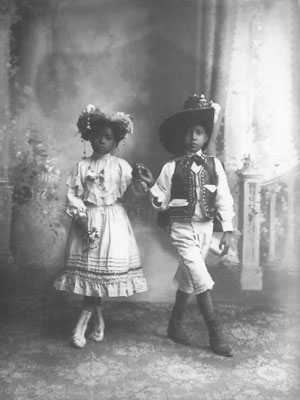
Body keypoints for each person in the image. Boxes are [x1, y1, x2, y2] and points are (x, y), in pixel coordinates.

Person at [137, 94, 234, 357]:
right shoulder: (171, 167)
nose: (193, 136)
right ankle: (215, 332)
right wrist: (150, 186)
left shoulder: (215, 166)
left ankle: (174, 325)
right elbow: (161, 201)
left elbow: (224, 198)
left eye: (199, 132)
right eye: (189, 132)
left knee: (189, 279)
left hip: (205, 229)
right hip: (181, 228)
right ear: (182, 136)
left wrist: (227, 230)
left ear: (205, 137)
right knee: (200, 277)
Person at [54, 104, 147, 348]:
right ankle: (97, 323)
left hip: (113, 223)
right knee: (91, 279)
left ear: (116, 142)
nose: (101, 140)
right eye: (97, 135)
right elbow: (72, 195)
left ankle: (81, 326)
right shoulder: (82, 166)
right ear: (89, 137)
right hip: (88, 219)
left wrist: (140, 182)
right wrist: (82, 218)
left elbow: (134, 195)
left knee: (98, 279)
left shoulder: (120, 166)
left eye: (107, 137)